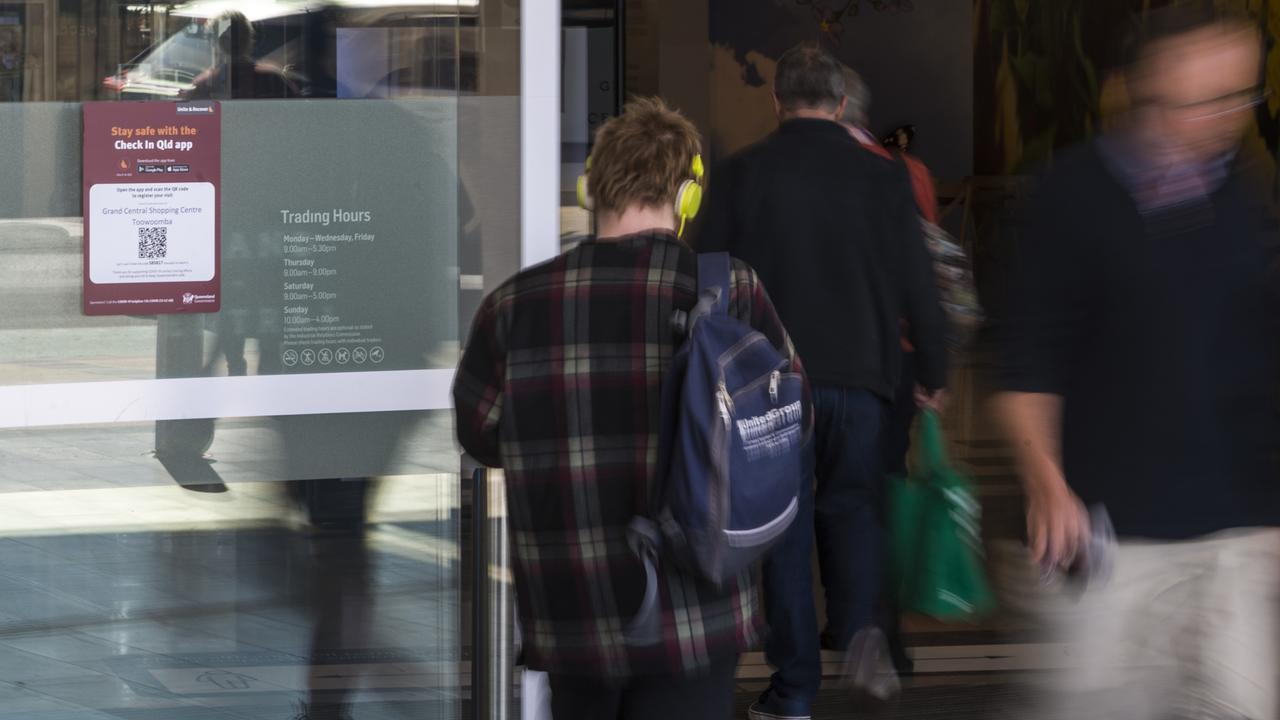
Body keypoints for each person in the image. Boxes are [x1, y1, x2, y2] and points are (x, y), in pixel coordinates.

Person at [454, 97, 808, 719]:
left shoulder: (514, 306)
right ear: (688, 196)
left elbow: (480, 434)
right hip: (696, 615)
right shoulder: (728, 293)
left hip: (572, 612)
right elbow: (790, 422)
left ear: (592, 187)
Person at [996, 5, 1280, 719]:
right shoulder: (1070, 197)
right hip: (1114, 543)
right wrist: (1046, 484)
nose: (1229, 117)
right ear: (1147, 88)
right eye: (1208, 98)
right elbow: (1027, 361)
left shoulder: (1242, 200)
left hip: (1237, 540)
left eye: (1242, 97)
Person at [700, 44, 948, 720]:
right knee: (856, 509)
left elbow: (707, 279)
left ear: (776, 102)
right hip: (866, 377)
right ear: (841, 104)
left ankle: (794, 691)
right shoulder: (886, 179)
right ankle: (864, 628)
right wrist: (935, 369)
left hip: (775, 384)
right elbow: (917, 282)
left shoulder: (742, 173)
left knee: (786, 532)